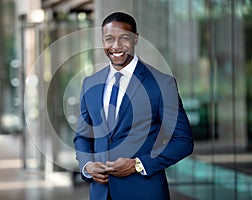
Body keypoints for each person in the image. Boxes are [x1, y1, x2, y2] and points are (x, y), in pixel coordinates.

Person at [74, 12, 193, 200]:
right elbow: (82, 136)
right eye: (109, 39)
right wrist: (87, 165)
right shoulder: (90, 83)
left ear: (135, 39)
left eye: (124, 38)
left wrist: (138, 164)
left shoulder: (162, 84)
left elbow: (182, 141)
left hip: (144, 192)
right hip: (101, 193)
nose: (116, 46)